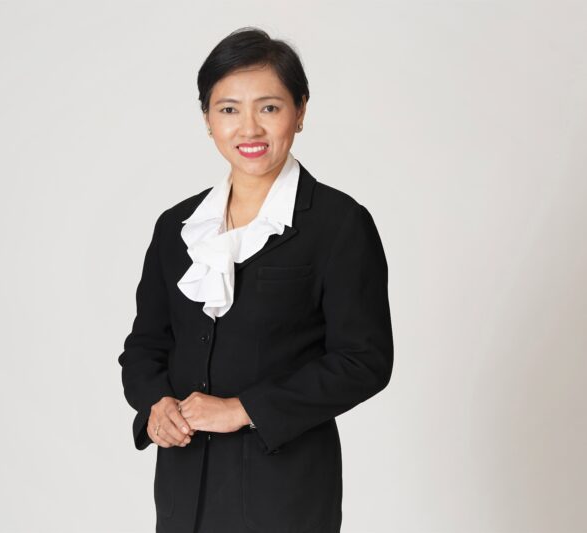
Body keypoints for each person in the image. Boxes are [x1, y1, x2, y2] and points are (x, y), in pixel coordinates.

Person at [117, 26, 394, 533]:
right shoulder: (177, 227)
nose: (249, 128)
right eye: (228, 109)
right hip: (184, 493)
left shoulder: (338, 223)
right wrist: (155, 404)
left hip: (284, 495)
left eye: (268, 107)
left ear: (300, 111)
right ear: (207, 119)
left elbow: (365, 360)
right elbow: (145, 345)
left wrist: (243, 409)